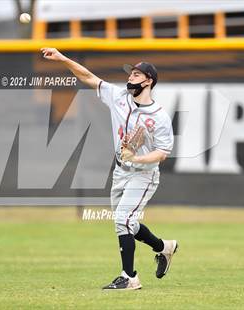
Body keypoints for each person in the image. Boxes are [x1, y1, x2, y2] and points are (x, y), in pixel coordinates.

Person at [41, 47, 178, 290]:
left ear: (149, 81)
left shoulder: (159, 116)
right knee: (128, 224)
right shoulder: (118, 97)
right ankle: (163, 248)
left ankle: (129, 277)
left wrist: (136, 158)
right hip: (120, 172)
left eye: (136, 75)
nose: (130, 77)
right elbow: (87, 77)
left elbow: (162, 153)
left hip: (143, 175)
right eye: (130, 74)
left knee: (123, 220)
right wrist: (62, 58)